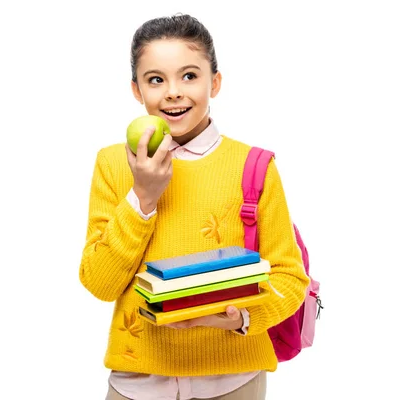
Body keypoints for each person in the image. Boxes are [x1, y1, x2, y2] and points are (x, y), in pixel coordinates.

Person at [79, 13, 310, 400]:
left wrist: (240, 317)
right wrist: (143, 197)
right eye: (156, 79)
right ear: (137, 90)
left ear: (214, 82)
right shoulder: (113, 164)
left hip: (234, 379)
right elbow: (100, 283)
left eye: (189, 76)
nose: (173, 92)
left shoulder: (254, 166)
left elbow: (290, 277)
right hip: (136, 381)